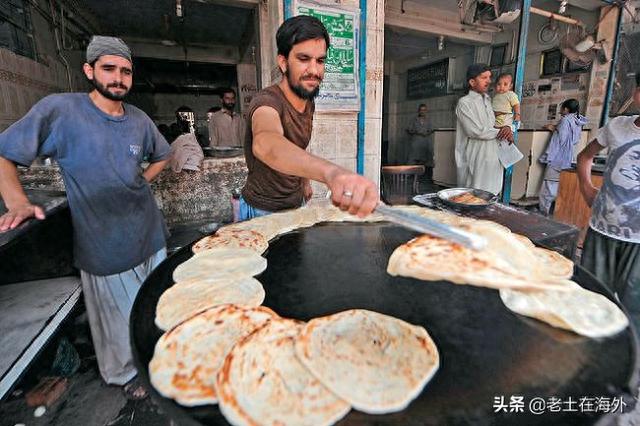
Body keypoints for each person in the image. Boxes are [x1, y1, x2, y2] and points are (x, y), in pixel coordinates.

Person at [0, 36, 170, 399]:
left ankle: (151, 359)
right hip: (103, 242)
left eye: (126, 71)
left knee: (152, 307)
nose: (118, 78)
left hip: (149, 233)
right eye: (109, 69)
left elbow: (164, 155)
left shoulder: (138, 120)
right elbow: (6, 154)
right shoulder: (61, 111)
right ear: (89, 70)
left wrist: (142, 179)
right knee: (115, 322)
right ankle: (123, 376)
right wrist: (16, 201)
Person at [240, 15, 378, 220]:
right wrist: (331, 173)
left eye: (320, 61)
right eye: (303, 59)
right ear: (284, 62)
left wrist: (304, 181)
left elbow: (297, 146)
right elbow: (266, 143)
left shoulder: (308, 102)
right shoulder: (266, 102)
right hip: (262, 210)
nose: (314, 70)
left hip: (296, 204)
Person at [577, 72, 640, 325]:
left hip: (638, 242)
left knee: (633, 309)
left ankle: (626, 360)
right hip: (602, 230)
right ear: (636, 92)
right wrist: (586, 187)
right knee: (592, 298)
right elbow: (585, 156)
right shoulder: (617, 127)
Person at [455, 64, 513, 195]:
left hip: (492, 155)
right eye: (484, 77)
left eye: (489, 77)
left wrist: (507, 129)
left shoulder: (487, 100)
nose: (489, 81)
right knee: (474, 196)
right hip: (476, 156)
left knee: (492, 195)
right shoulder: (465, 102)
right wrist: (500, 131)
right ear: (472, 82)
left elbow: (492, 126)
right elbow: (475, 131)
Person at [538, 99, 587, 215]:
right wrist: (556, 127)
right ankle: (552, 211)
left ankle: (544, 212)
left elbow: (562, 138)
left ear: (565, 109)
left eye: (562, 108)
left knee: (548, 187)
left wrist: (553, 129)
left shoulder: (565, 120)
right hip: (567, 157)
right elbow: (573, 139)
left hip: (558, 157)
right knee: (556, 185)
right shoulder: (577, 120)